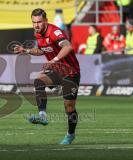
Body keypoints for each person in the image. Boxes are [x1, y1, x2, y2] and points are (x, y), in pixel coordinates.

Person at [14, 8, 80, 145]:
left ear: (46, 21)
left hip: (70, 72)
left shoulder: (54, 32)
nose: (36, 25)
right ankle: (42, 116)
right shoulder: (38, 34)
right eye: (34, 22)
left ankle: (70, 134)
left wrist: (54, 60)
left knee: (69, 107)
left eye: (39, 22)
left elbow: (68, 47)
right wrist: (24, 50)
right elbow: (41, 50)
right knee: (38, 81)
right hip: (57, 70)